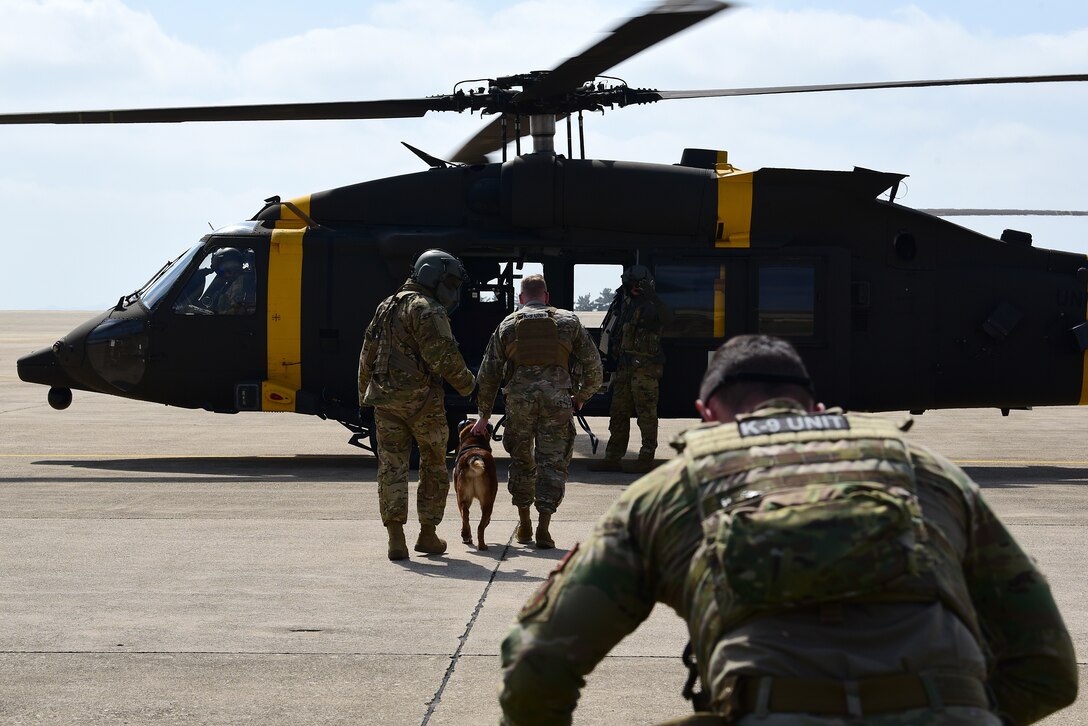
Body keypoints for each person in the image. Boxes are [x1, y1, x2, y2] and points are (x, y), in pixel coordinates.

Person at [500, 334, 1077, 725]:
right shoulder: (925, 471)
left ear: (707, 414)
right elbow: (1048, 670)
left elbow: (538, 664)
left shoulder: (668, 491)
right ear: (814, 405)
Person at [358, 249, 476, 561]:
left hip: (385, 403)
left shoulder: (386, 305)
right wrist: (469, 385)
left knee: (391, 467)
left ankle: (396, 539)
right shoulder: (428, 309)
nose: (451, 288)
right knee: (434, 465)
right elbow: (443, 357)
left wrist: (363, 397)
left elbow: (367, 353)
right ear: (433, 276)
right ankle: (427, 533)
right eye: (449, 281)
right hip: (423, 403)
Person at [470, 274, 603, 549]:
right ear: (547, 297)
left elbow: (489, 374)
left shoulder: (507, 325)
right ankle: (544, 528)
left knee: (522, 462)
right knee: (552, 463)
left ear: (521, 298)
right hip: (557, 404)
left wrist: (484, 415)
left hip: (520, 405)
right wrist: (581, 397)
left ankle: (524, 523)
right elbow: (594, 367)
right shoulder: (568, 322)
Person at [590, 264, 673, 473]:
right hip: (625, 368)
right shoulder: (625, 304)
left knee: (646, 415)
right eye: (631, 285)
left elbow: (668, 318)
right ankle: (613, 457)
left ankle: (646, 457)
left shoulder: (652, 306)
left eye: (638, 286)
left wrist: (651, 296)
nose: (634, 289)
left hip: (645, 371)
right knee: (618, 413)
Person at [199, 247, 253, 315]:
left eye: (223, 270)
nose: (225, 275)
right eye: (220, 272)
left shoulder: (245, 281)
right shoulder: (227, 285)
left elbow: (238, 310)